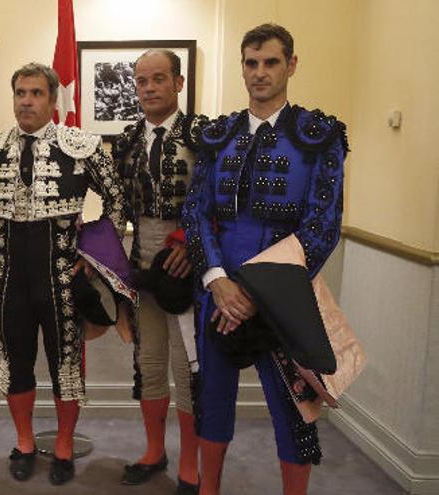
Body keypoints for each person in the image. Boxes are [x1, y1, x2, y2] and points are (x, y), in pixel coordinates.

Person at [182, 23, 348, 494]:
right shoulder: (218, 135)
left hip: (284, 293)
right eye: (251, 63)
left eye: (270, 62)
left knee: (292, 408)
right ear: (242, 67)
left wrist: (254, 295)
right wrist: (217, 280)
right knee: (212, 400)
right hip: (220, 289)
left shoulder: (320, 135)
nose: (259, 73)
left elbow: (321, 226)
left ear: (291, 65)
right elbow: (195, 212)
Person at [0, 62, 125, 486]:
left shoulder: (80, 146)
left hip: (60, 275)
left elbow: (116, 201)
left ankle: (61, 446)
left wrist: (94, 259)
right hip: (11, 277)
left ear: (53, 101)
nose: (26, 100)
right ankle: (23, 443)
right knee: (17, 362)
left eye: (36, 93)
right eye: (20, 92)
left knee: (65, 365)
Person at [111, 49, 207, 495]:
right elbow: (118, 207)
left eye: (158, 79)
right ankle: (154, 451)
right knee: (148, 364)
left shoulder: (204, 135)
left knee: (188, 370)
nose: (149, 88)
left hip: (188, 265)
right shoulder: (128, 139)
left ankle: (190, 462)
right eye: (142, 80)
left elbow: (218, 200)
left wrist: (191, 242)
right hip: (142, 268)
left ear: (178, 83)